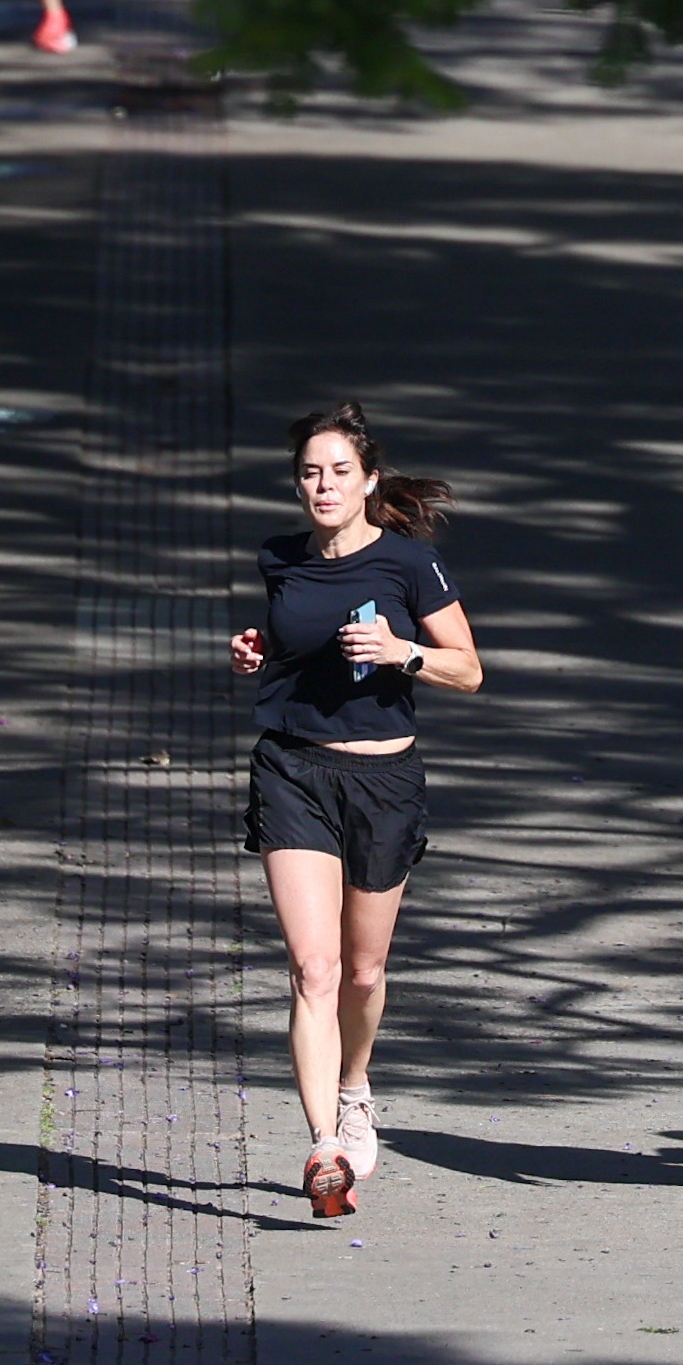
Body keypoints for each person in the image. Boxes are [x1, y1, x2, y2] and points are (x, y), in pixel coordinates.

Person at [228, 403, 482, 1219]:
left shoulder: (410, 565)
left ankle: (354, 1084)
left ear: (369, 481)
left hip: (383, 782)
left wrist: (403, 651)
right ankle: (322, 1147)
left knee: (364, 971)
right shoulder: (280, 559)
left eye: (339, 471)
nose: (323, 485)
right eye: (309, 471)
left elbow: (469, 669)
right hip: (292, 771)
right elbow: (289, 644)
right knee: (314, 968)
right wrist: (257, 650)